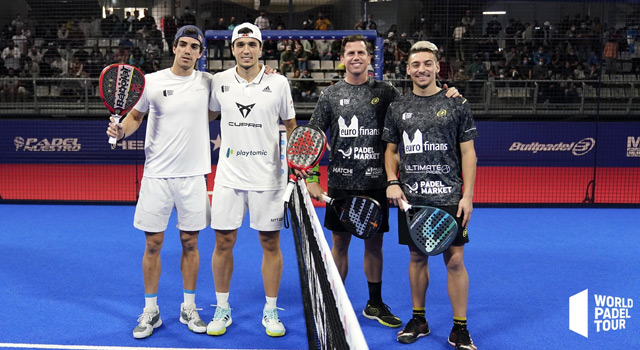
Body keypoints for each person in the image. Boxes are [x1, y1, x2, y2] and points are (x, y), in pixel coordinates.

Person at [305, 34, 460, 330]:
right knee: (339, 244)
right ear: (342, 59)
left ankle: (373, 303)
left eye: (361, 52)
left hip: (377, 183)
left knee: (374, 245)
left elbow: (416, 104)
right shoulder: (330, 95)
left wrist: (449, 92)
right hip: (341, 183)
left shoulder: (386, 91)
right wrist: (312, 176)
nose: (355, 57)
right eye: (350, 53)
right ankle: (333, 303)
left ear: (368, 58)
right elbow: (312, 136)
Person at [105, 25, 213, 339]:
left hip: (193, 177)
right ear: (174, 48)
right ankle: (150, 311)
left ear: (200, 53)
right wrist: (121, 131)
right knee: (152, 245)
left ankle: (188, 307)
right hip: (157, 177)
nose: (188, 50)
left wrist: (268, 70)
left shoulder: (209, 82)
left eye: (194, 46)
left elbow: (241, 80)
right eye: (183, 44)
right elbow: (135, 118)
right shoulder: (151, 82)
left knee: (190, 243)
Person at [382, 41, 478, 350]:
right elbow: (391, 151)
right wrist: (392, 181)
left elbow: (468, 153)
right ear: (407, 69)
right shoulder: (397, 107)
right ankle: (419, 319)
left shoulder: (457, 104)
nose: (421, 69)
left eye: (427, 63)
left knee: (455, 261)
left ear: (438, 67)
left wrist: (468, 196)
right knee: (416, 256)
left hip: (449, 194)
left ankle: (459, 328)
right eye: (415, 65)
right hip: (412, 198)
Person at [206, 22, 297, 338]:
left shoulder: (280, 82)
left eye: (252, 45)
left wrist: (298, 164)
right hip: (228, 178)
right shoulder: (217, 82)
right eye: (240, 45)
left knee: (270, 243)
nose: (246, 50)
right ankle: (222, 306)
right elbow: (204, 114)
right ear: (232, 49)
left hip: (269, 178)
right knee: (223, 241)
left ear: (261, 49)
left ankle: (271, 309)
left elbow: (291, 123)